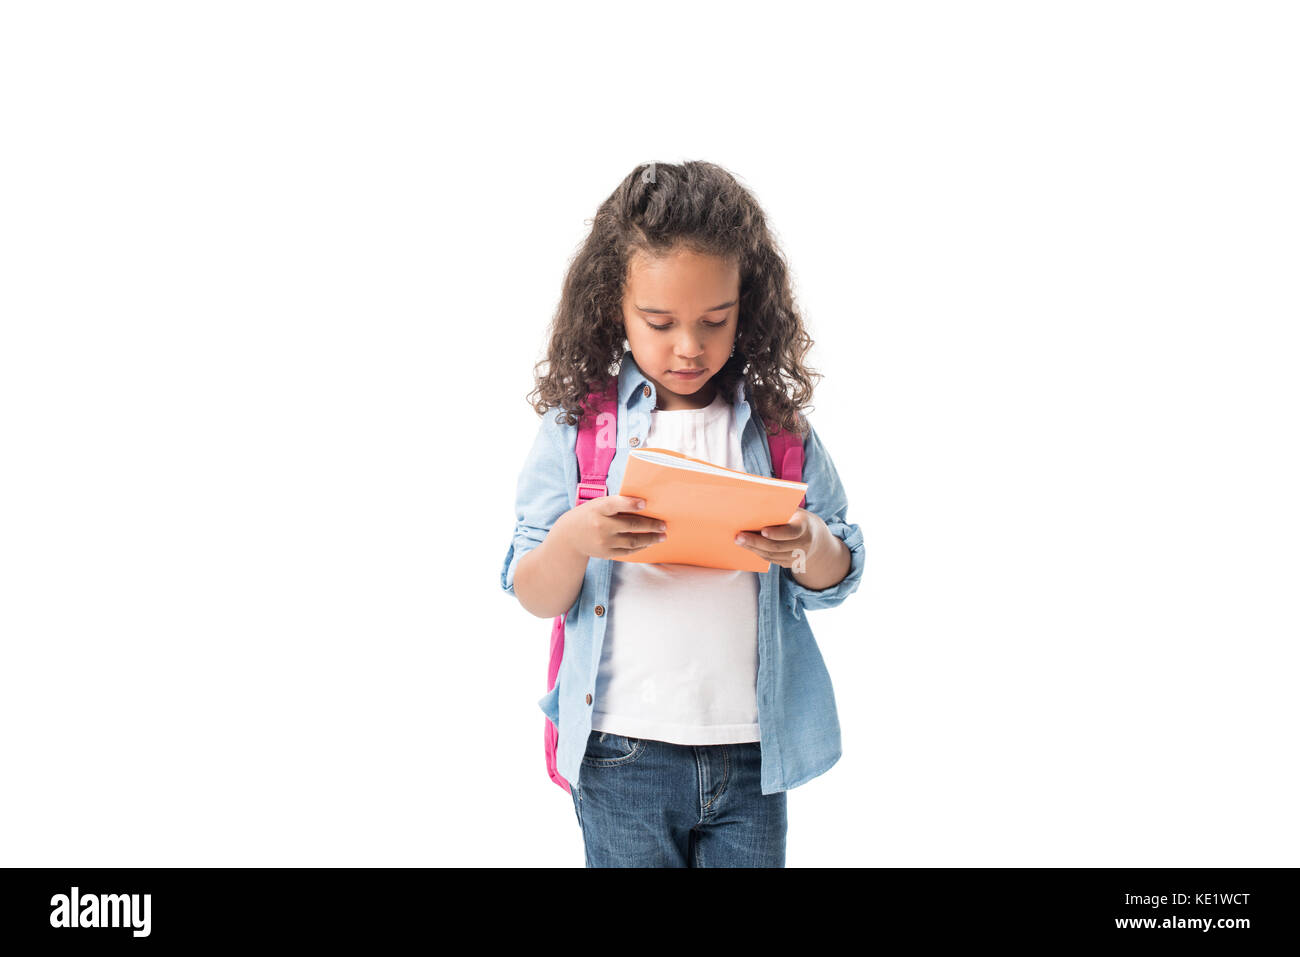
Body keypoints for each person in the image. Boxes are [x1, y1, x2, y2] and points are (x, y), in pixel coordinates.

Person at [500, 160, 865, 867]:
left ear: (745, 308)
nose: (689, 346)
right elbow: (532, 587)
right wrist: (578, 536)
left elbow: (840, 570)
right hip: (622, 750)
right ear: (615, 306)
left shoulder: (775, 428)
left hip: (753, 752)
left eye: (714, 320)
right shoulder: (580, 427)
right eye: (660, 323)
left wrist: (808, 544)